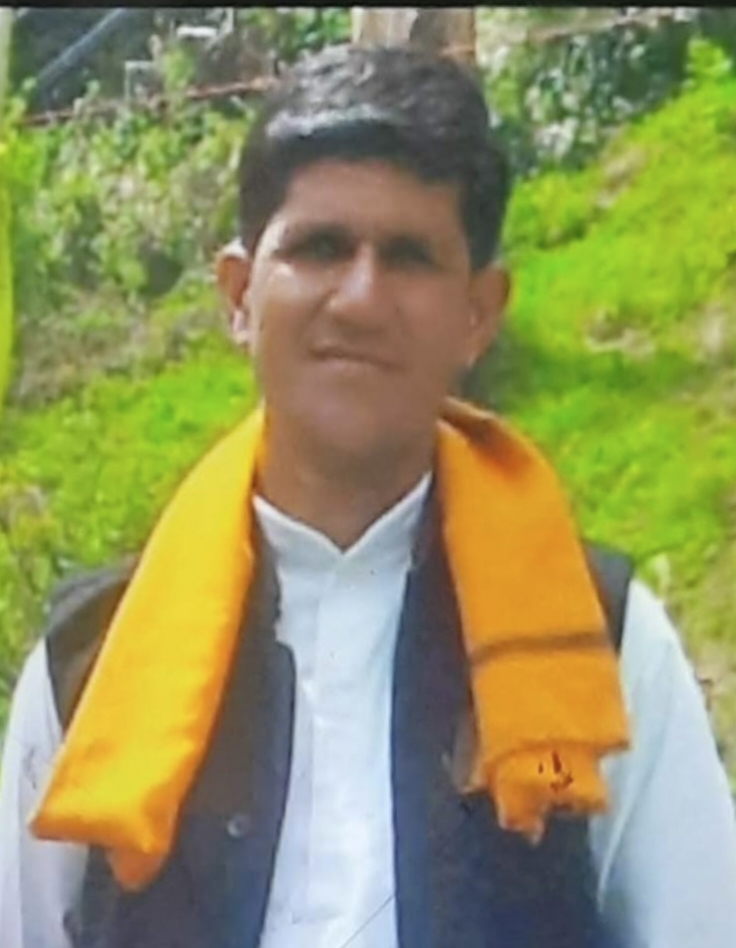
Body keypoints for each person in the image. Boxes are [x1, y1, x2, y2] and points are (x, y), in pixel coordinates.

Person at [1, 43, 735, 948]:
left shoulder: (601, 645)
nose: (359, 298)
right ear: (238, 296)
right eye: (320, 248)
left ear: (478, 313)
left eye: (410, 257)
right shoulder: (93, 661)